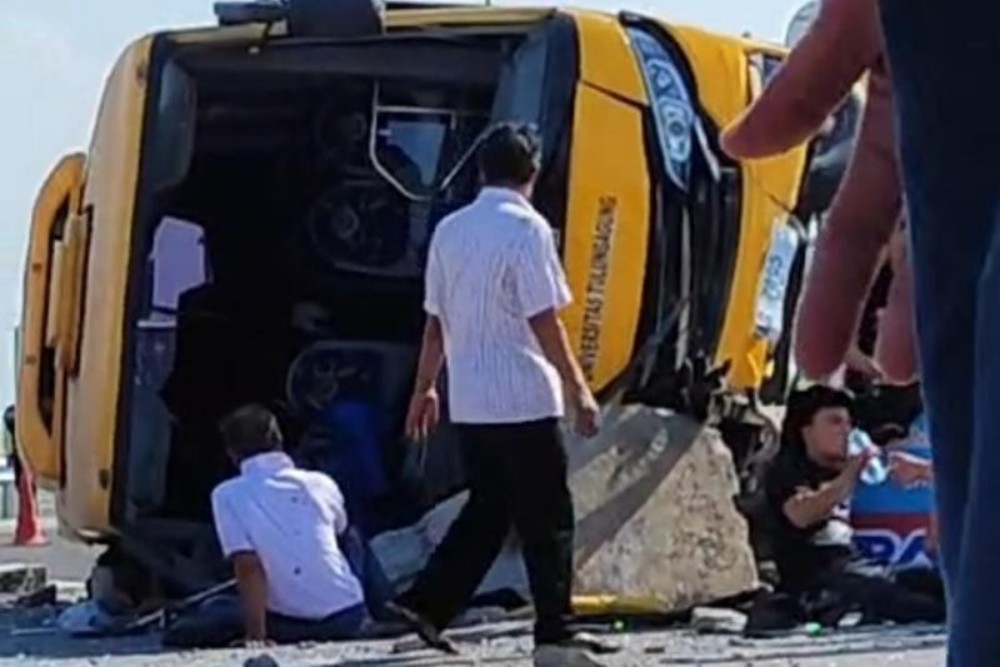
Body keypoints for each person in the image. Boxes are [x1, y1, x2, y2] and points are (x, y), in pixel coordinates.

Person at [384, 121, 616, 667]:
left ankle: (427, 605)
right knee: (547, 514)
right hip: (523, 393)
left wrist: (426, 389)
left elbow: (435, 322)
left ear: (482, 170)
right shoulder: (528, 230)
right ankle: (556, 632)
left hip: (470, 396)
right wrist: (579, 388)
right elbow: (544, 320)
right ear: (532, 172)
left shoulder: (450, 230)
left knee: (489, 507)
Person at [164, 404, 369, 648]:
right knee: (354, 536)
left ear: (231, 453)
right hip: (348, 616)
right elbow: (342, 535)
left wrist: (255, 635)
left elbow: (249, 567)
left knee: (205, 619)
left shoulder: (227, 495)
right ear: (278, 440)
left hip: (291, 624)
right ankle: (380, 610)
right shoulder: (320, 483)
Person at [763, 385, 944, 626]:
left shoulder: (847, 467)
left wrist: (919, 471)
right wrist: (850, 475)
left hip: (860, 565)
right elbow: (800, 514)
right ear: (807, 431)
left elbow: (955, 479)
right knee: (914, 605)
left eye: (848, 423)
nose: (845, 431)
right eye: (834, 422)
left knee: (938, 585)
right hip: (817, 578)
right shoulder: (788, 469)